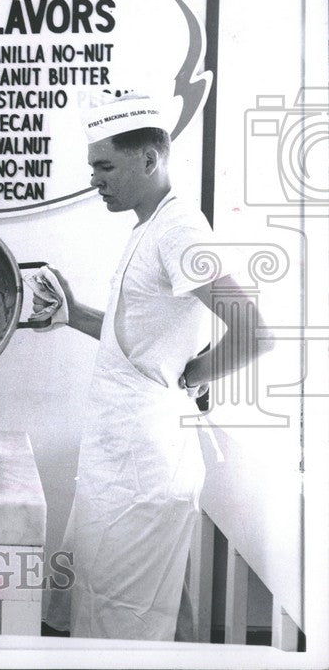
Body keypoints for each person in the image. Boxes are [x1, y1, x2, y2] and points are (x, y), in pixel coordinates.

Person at [36, 94, 266, 640]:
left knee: (126, 620)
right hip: (117, 462)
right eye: (92, 167)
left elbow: (254, 333)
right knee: (116, 607)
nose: (95, 180)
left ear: (148, 160)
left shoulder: (180, 230)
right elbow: (136, 345)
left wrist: (193, 377)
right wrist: (75, 316)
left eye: (105, 166)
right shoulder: (149, 228)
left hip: (144, 466)